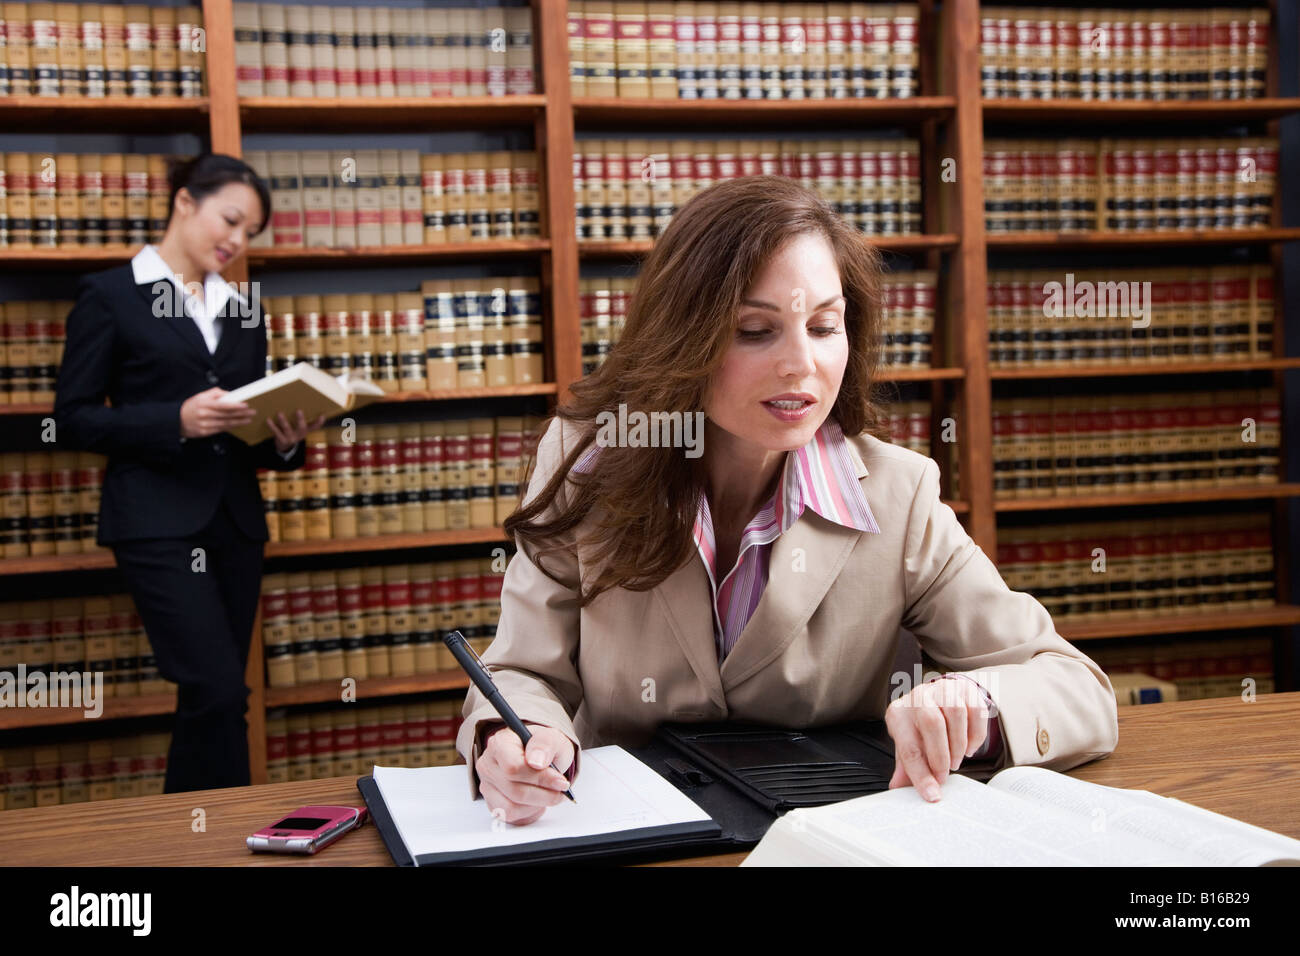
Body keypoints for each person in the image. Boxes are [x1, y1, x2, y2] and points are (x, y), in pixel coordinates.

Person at [457, 174, 1119, 825]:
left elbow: (1074, 686)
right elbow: (520, 669)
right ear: (684, 337)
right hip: (629, 841)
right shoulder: (587, 463)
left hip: (832, 843)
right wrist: (513, 738)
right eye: (755, 330)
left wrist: (977, 700)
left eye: (825, 326)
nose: (800, 363)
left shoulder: (898, 495)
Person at [53, 153, 327, 792]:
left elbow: (247, 434)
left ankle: (199, 838)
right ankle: (214, 840)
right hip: (154, 522)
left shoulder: (242, 309)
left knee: (222, 692)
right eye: (230, 219)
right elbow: (72, 418)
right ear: (184, 202)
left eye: (249, 233)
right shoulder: (110, 295)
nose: (236, 241)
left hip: (233, 522)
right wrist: (175, 419)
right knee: (213, 684)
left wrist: (285, 439)